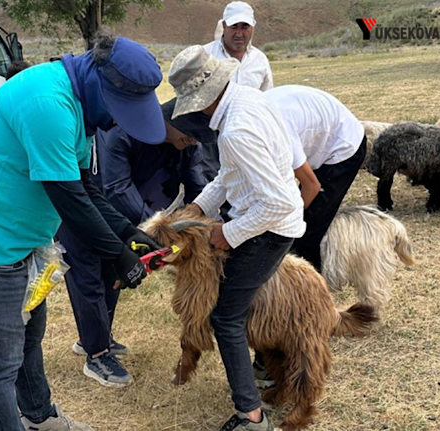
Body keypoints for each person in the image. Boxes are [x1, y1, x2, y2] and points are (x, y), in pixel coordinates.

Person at [0, 35, 164, 431]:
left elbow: (85, 185)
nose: (116, 123)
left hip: (25, 241)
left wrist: (130, 233)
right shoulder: (48, 104)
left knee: (28, 338)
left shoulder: (78, 105)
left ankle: (41, 418)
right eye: (119, 111)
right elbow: (68, 197)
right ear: (98, 81)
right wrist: (118, 255)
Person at [168, 45, 305, 431]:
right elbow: (230, 178)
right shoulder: (246, 101)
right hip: (268, 221)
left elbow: (274, 204)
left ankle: (250, 415)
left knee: (226, 317)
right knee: (233, 309)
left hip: (269, 230)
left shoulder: (237, 130)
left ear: (200, 99)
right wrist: (198, 208)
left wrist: (227, 233)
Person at [57, 99, 212, 387]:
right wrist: (151, 233)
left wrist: (202, 225)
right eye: (188, 133)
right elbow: (116, 188)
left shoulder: (190, 145)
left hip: (124, 221)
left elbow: (198, 191)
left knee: (113, 275)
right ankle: (97, 354)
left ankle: (98, 336)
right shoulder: (124, 133)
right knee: (87, 276)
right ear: (168, 120)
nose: (192, 140)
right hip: (86, 205)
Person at [264, 85, 367, 270]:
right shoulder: (250, 118)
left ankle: (310, 287)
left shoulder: (278, 131)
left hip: (344, 147)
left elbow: (311, 185)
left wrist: (290, 217)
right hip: (319, 133)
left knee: (308, 225)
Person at [200, 2, 274, 182]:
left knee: (244, 180)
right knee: (212, 182)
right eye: (234, 26)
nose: (239, 33)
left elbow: (267, 98)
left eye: (245, 27)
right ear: (224, 26)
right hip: (211, 133)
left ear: (252, 28)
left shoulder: (259, 60)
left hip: (247, 133)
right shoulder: (205, 55)